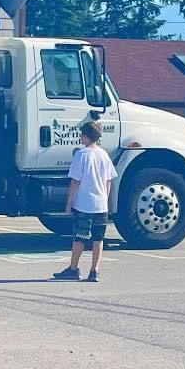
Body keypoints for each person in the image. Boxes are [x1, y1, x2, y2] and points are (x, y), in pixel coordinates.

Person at [53, 121, 116, 283]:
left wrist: (69, 202)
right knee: (98, 239)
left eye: (82, 135)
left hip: (84, 204)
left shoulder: (81, 155)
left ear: (86, 136)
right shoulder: (104, 155)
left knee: (79, 238)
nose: (80, 137)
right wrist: (105, 200)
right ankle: (94, 271)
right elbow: (109, 181)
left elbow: (75, 181)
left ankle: (73, 268)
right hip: (100, 204)